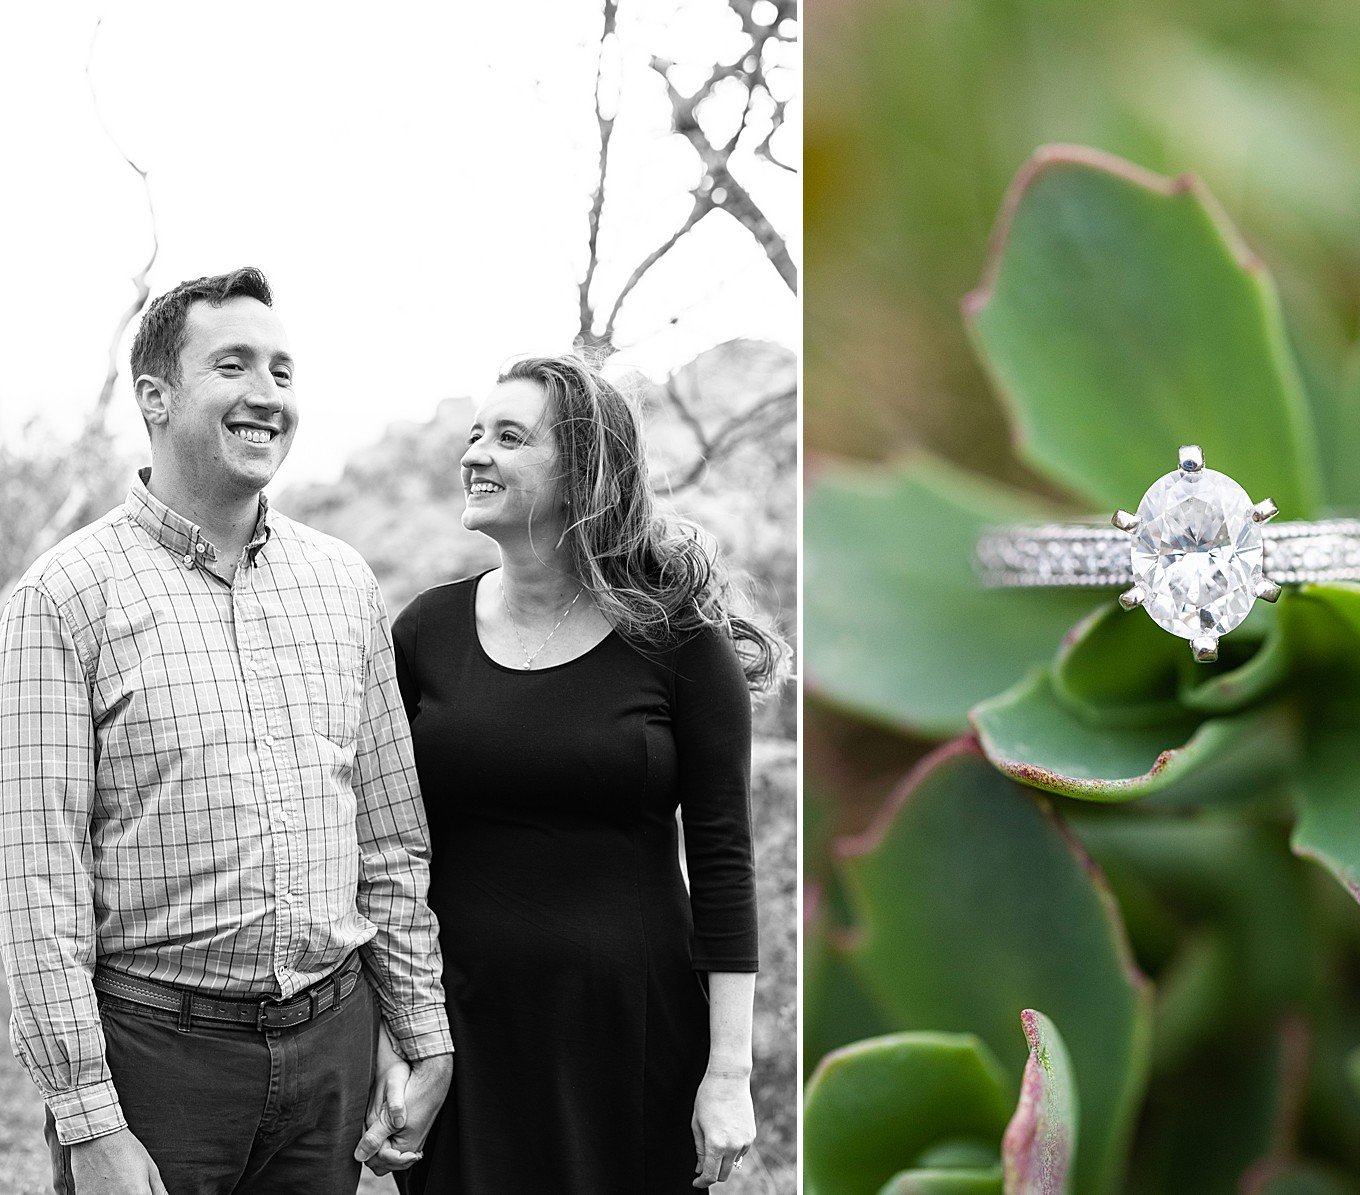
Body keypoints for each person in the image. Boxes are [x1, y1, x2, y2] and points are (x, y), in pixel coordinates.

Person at [0, 267, 453, 1195]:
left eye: (283, 372)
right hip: (155, 1061)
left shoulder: (343, 584)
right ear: (156, 397)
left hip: (332, 1047)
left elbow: (392, 839)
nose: (267, 395)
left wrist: (421, 1030)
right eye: (234, 365)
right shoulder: (62, 597)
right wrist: (91, 1121)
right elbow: (36, 883)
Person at [357, 355, 784, 1192]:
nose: (475, 453)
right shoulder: (423, 631)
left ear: (584, 469)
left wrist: (727, 1074)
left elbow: (726, 861)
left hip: (632, 1038)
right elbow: (379, 855)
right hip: (464, 1038)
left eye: (508, 437)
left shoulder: (679, 639)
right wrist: (391, 1034)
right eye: (473, 434)